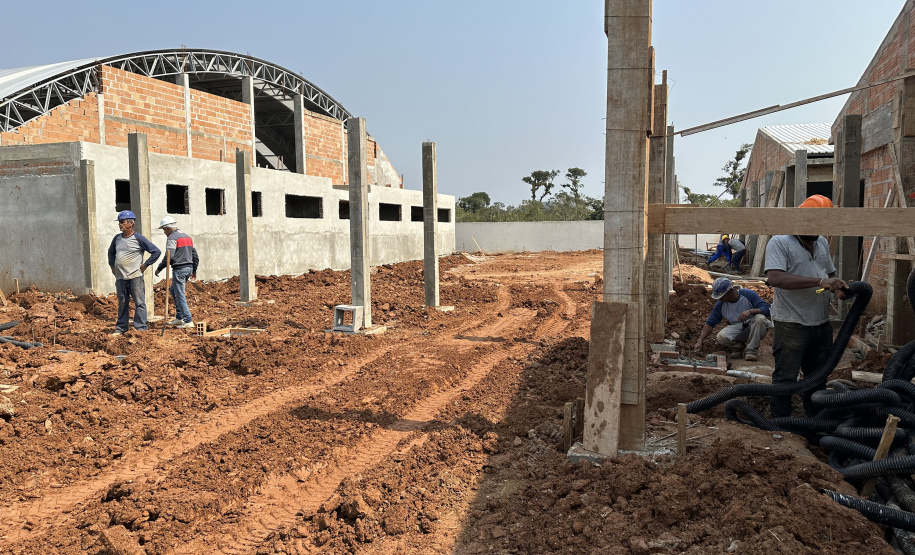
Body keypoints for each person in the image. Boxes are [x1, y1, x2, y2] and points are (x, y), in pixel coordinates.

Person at [764, 194, 847, 417]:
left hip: (820, 323)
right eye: (813, 224)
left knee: (817, 378)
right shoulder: (780, 242)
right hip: (792, 323)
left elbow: (829, 273)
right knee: (785, 379)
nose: (817, 230)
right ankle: (781, 426)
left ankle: (815, 424)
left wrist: (837, 286)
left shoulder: (820, 242)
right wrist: (819, 282)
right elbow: (775, 278)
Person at [107, 210, 161, 336]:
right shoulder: (117, 238)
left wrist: (145, 265)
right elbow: (111, 252)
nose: (120, 224)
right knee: (122, 302)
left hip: (135, 277)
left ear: (130, 223)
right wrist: (112, 266)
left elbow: (156, 251)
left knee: (139, 302)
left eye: (122, 222)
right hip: (120, 277)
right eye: (119, 222)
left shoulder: (138, 238)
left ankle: (141, 328)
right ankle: (121, 328)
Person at [692, 276, 771, 361]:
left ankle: (751, 351)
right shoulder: (721, 304)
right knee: (721, 336)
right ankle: (739, 348)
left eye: (722, 296)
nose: (720, 299)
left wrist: (750, 311)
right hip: (738, 327)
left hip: (754, 325)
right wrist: (700, 341)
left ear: (730, 292)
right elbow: (710, 323)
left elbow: (767, 309)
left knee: (760, 319)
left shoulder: (748, 294)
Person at [154, 216, 199, 329]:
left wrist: (159, 268)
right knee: (173, 290)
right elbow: (195, 255)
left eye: (164, 230)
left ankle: (188, 320)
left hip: (179, 269)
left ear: (168, 228)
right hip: (188, 268)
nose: (164, 233)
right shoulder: (187, 237)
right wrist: (194, 269)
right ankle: (179, 317)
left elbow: (169, 256)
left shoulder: (172, 238)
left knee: (179, 295)